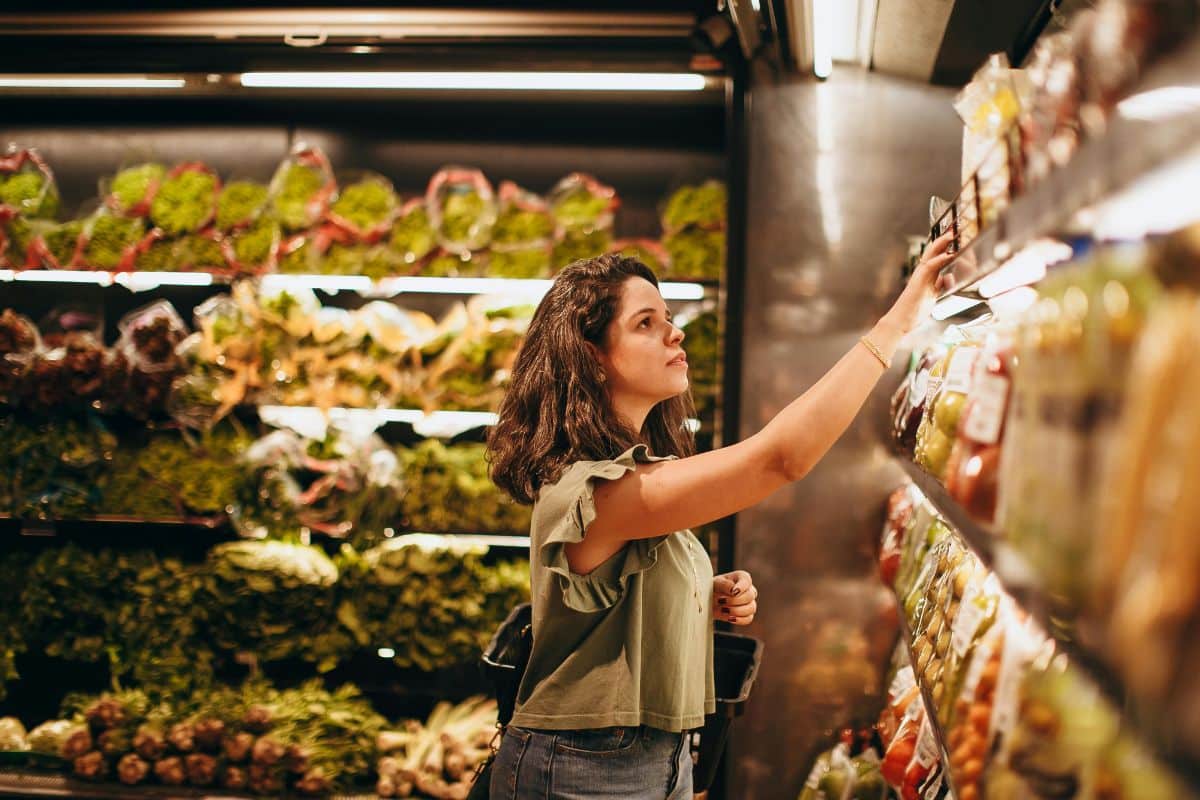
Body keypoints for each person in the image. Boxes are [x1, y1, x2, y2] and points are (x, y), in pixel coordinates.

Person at [485, 233, 955, 800]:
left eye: (668, 317)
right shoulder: (589, 489)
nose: (674, 331)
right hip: (586, 768)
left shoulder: (634, 475)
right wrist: (895, 323)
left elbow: (612, 606)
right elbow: (779, 459)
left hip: (650, 758)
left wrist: (701, 595)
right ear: (591, 355)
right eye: (645, 323)